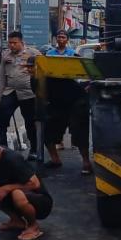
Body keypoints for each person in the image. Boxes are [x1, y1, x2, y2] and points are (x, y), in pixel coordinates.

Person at [0, 132, 52, 240]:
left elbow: (35, 183)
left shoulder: (12, 159)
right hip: (20, 194)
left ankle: (33, 226)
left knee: (16, 193)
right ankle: (16, 221)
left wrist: (7, 188)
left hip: (41, 201)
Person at [43, 30, 91, 174]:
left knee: (80, 132)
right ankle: (55, 159)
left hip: (75, 99)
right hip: (56, 100)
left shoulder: (73, 55)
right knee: (48, 130)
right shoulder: (49, 55)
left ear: (67, 39)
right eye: (59, 37)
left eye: (63, 37)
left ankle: (86, 162)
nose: (61, 39)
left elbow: (84, 75)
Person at [0, 31, 41, 160]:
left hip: (28, 92)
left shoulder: (33, 53)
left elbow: (42, 70)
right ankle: (3, 148)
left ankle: (34, 149)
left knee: (30, 121)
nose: (12, 45)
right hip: (10, 91)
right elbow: (1, 75)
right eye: (10, 43)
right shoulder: (6, 55)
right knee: (2, 118)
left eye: (14, 43)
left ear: (21, 42)